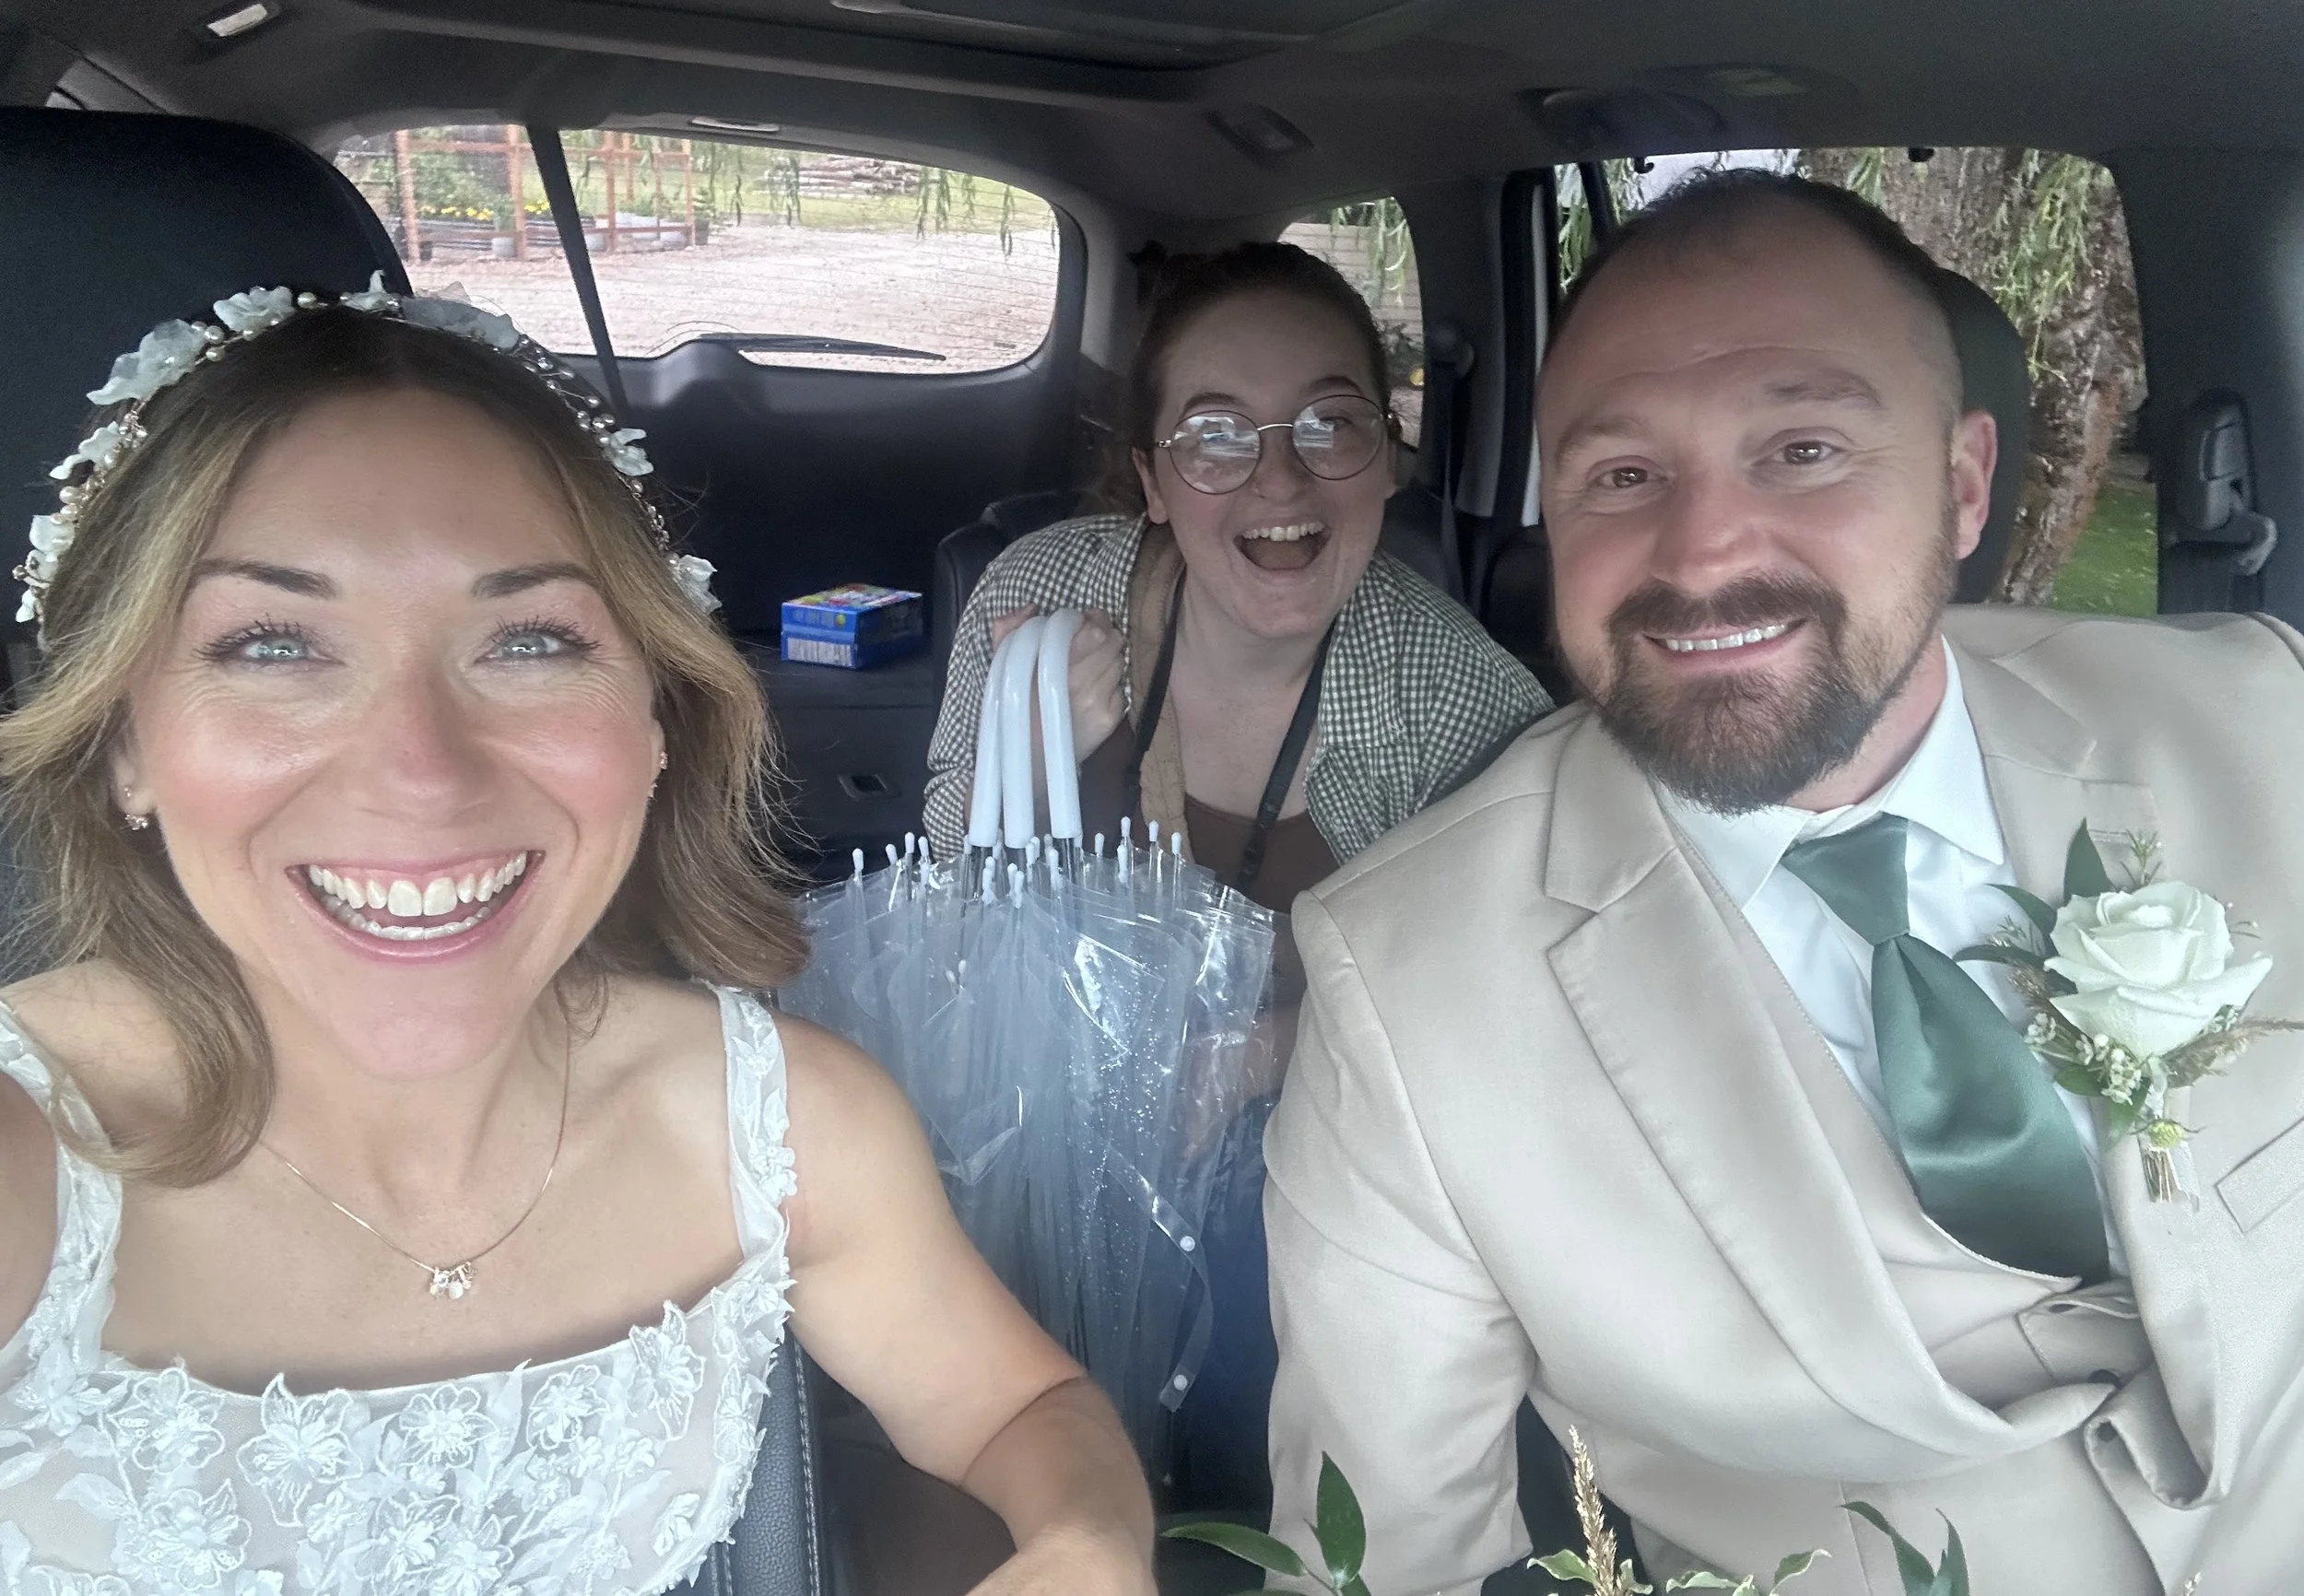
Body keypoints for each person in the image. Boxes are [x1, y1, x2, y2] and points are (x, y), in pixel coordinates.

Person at [0, 284, 1156, 1596]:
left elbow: (1016, 1410)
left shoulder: (789, 1125)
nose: (422, 773)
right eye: (274, 645)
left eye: (532, 640)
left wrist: (1084, 1539)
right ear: (121, 746)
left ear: (657, 719)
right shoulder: (26, 1161)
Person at [1264, 170, 2304, 1594]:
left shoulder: (2259, 716)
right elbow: (1380, 1563)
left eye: (1804, 449)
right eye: (1622, 476)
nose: (1703, 554)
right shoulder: (1405, 987)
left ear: (1959, 486)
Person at [923, 242, 1548, 1509]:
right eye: (1217, 433)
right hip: (1037, 1126)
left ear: (1387, 457)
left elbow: (1508, 999)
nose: (1279, 475)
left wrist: (1262, 1058)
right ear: (1153, 478)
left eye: (1331, 422)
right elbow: (953, 910)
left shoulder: (1465, 702)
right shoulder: (1041, 601)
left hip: (1323, 1174)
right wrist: (1054, 757)